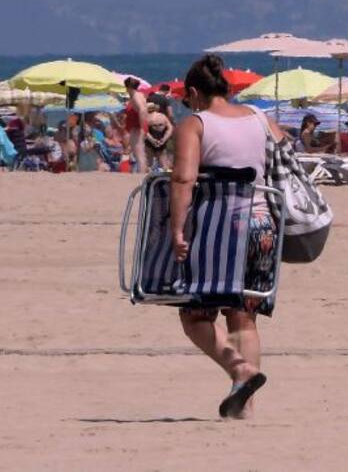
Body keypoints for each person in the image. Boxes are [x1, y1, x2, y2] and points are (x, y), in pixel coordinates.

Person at [171, 53, 287, 420]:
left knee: (194, 315)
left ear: (193, 92)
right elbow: (286, 157)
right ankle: (245, 408)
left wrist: (176, 227)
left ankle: (240, 370)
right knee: (244, 316)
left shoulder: (195, 123)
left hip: (219, 225)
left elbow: (184, 179)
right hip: (263, 224)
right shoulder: (260, 118)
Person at [123, 77, 150, 176]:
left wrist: (143, 127)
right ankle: (142, 173)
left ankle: (141, 175)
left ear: (128, 87)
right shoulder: (139, 95)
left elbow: (142, 110)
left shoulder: (135, 96)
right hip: (137, 127)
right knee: (139, 152)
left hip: (137, 128)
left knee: (139, 153)